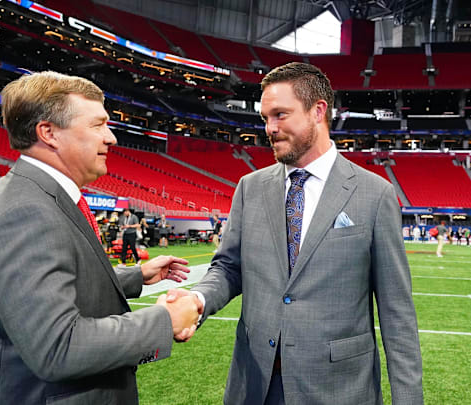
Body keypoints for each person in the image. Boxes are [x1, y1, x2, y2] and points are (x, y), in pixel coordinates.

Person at [168, 62, 423, 404]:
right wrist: (197, 300)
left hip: (338, 389)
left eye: (280, 115)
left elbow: (397, 313)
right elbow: (228, 268)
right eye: (265, 118)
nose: (269, 128)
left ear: (318, 111)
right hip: (256, 385)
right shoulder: (250, 188)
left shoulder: (374, 194)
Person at [0, 71, 200, 405]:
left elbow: (56, 278)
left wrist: (135, 276)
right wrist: (163, 321)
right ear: (49, 133)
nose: (111, 137)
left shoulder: (37, 196)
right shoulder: (27, 212)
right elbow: (58, 347)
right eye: (97, 125)